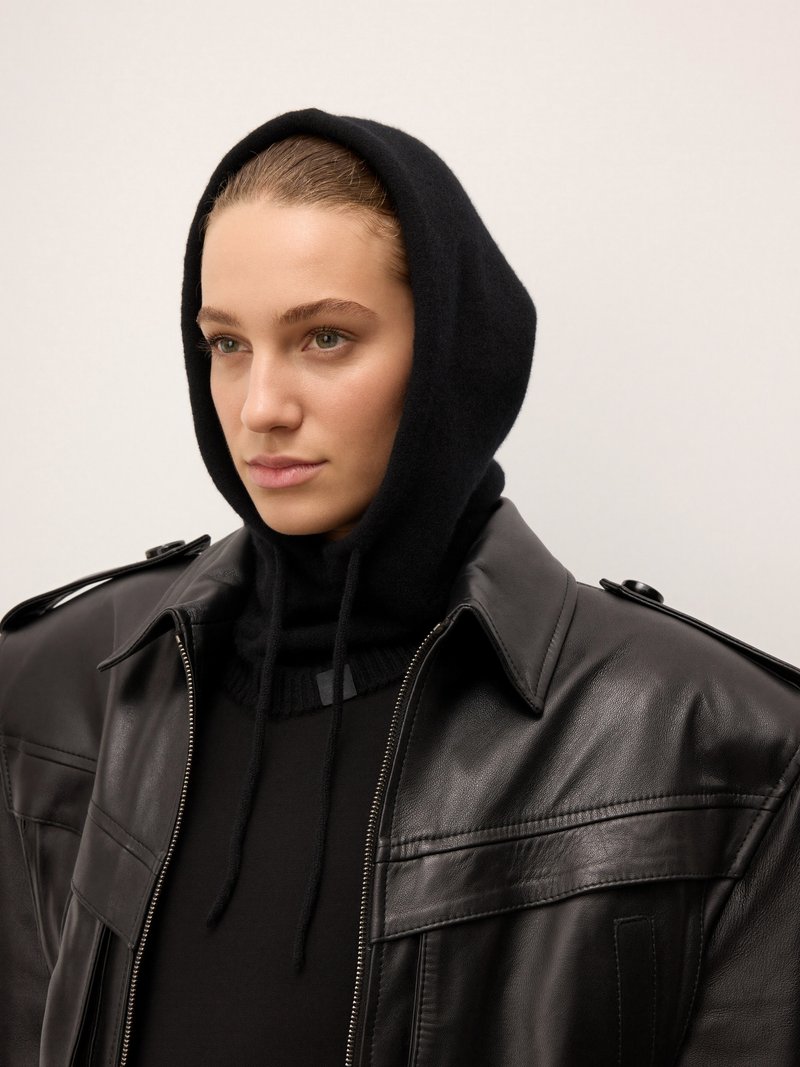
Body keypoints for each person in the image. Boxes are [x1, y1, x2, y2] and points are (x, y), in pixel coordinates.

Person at [1, 107, 800, 1067]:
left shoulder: (719, 745)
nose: (261, 408)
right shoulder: (52, 691)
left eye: (326, 337)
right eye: (228, 344)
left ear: (454, 352)